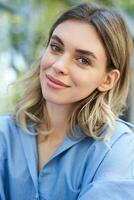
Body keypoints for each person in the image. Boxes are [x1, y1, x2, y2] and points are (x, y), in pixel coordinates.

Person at [0, 2, 134, 200]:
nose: (58, 65)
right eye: (56, 47)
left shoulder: (117, 147)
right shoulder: (5, 134)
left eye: (83, 60)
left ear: (108, 80)